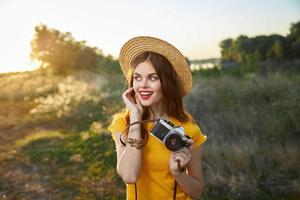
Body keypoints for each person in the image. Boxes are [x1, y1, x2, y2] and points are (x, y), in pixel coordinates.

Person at [107, 36, 207, 200]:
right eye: (137, 77)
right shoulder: (123, 123)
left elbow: (197, 192)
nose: (143, 85)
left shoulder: (189, 129)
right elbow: (129, 176)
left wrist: (179, 173)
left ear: (166, 83)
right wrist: (135, 118)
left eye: (153, 78)